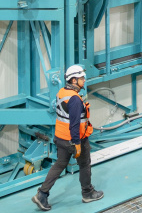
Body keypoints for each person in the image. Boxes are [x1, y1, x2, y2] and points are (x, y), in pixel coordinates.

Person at [32, 64, 103, 210]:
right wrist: (77, 143)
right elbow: (75, 124)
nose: (84, 79)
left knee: (59, 164)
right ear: (74, 80)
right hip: (75, 139)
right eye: (81, 77)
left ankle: (42, 194)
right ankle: (88, 193)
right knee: (84, 164)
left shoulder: (62, 92)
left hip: (61, 137)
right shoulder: (75, 100)